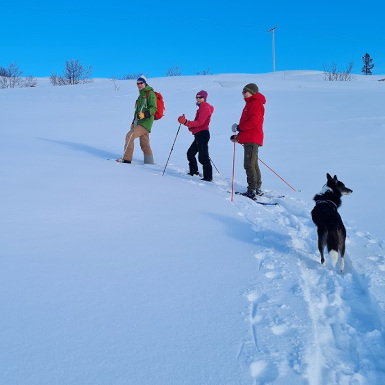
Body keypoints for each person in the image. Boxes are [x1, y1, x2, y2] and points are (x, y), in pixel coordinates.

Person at [231, 83, 266, 199]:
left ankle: (252, 190)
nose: (243, 94)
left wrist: (239, 127)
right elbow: (250, 125)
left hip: (253, 138)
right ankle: (256, 188)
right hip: (250, 138)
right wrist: (238, 137)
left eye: (245, 91)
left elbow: (253, 122)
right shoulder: (250, 103)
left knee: (249, 165)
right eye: (242, 91)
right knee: (253, 164)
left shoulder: (255, 103)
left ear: (252, 92)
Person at [117, 75, 156, 164]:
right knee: (144, 143)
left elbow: (154, 108)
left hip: (145, 122)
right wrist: (134, 121)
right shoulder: (141, 95)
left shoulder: (150, 93)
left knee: (129, 136)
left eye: (141, 83)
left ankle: (126, 159)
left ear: (145, 83)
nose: (139, 85)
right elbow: (138, 111)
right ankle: (149, 162)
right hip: (139, 122)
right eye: (137, 83)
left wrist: (144, 115)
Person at [177, 90, 214, 182]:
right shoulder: (201, 108)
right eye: (197, 97)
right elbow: (198, 124)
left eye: (200, 97)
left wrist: (186, 122)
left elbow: (200, 123)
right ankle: (194, 172)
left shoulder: (205, 108)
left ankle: (208, 177)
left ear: (204, 98)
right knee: (190, 153)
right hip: (199, 134)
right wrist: (190, 126)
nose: (198, 99)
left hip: (202, 134)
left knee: (203, 157)